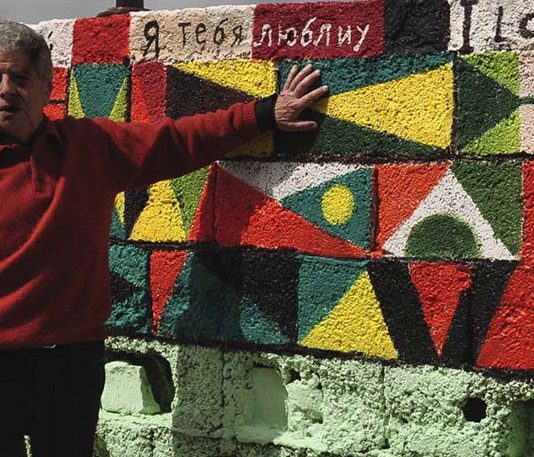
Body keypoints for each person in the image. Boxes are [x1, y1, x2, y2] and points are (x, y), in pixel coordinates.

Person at [0, 20, 327, 457]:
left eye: (19, 78)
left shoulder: (90, 147)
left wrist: (266, 113)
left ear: (47, 87)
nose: (5, 90)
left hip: (71, 363)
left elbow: (177, 140)